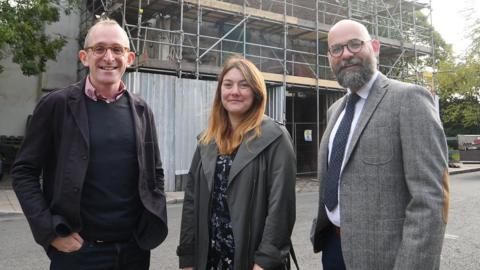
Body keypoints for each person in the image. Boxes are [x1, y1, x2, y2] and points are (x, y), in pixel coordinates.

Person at [11, 18, 168, 269]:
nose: (109, 57)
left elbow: (155, 172)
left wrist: (149, 223)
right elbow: (23, 172)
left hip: (133, 252)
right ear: (84, 57)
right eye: (99, 49)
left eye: (117, 49)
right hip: (79, 253)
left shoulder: (141, 109)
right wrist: (49, 231)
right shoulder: (56, 105)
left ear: (129, 58)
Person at [310, 19, 449, 270]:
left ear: (375, 47)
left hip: (385, 258)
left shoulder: (409, 99)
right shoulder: (335, 111)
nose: (347, 55)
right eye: (337, 49)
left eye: (355, 44)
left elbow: (430, 199)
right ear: (329, 56)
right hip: (333, 248)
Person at [177, 57, 297, 270]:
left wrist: (264, 262)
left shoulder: (275, 137)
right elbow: (191, 204)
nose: (235, 91)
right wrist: (187, 258)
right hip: (211, 260)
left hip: (251, 262)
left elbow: (281, 209)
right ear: (220, 91)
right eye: (228, 84)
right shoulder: (207, 141)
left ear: (257, 92)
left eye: (244, 85)